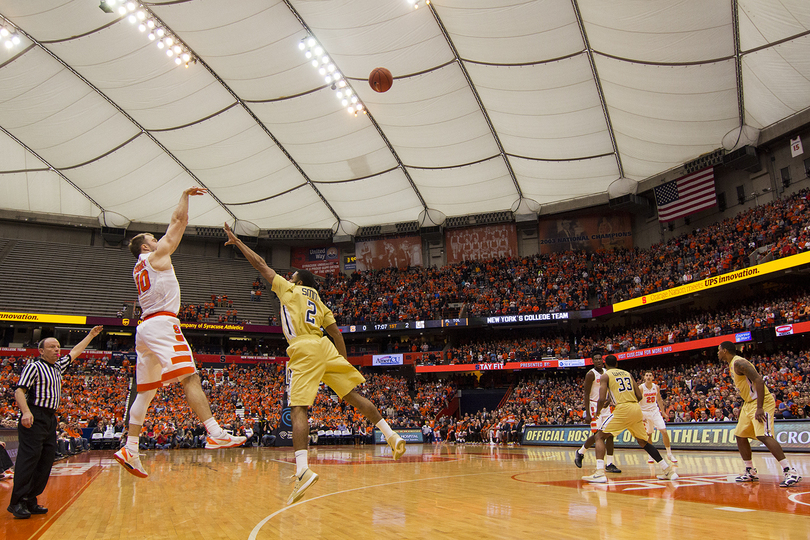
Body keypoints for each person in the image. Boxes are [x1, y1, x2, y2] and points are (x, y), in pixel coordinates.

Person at [223, 223, 406, 505]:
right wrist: (341, 361)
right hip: (325, 347)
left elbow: (260, 264)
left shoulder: (289, 290)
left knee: (298, 407)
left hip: (304, 349)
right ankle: (391, 435)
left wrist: (237, 242)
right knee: (353, 396)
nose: (288, 276)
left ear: (298, 280)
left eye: (292, 274)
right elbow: (336, 333)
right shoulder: (321, 302)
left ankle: (302, 470)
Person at [115, 188, 245, 479]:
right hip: (162, 324)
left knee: (145, 393)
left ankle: (130, 447)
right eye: (151, 238)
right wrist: (185, 195)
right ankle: (214, 432)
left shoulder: (137, 269)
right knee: (190, 376)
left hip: (144, 329)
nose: (156, 238)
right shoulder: (154, 258)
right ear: (146, 247)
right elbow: (178, 222)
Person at [8, 326, 103, 519]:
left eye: (58, 347)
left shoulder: (58, 366)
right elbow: (19, 391)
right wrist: (25, 412)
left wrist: (91, 335)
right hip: (34, 415)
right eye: (52, 347)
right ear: (41, 351)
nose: (57, 350)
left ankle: (31, 500)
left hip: (51, 418)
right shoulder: (34, 366)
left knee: (45, 461)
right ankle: (17, 502)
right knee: (29, 460)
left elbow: (75, 352)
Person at [582, 355, 678, 483]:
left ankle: (599, 472)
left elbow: (601, 398)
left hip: (622, 409)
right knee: (644, 442)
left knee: (599, 436)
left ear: (605, 364)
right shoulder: (627, 373)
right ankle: (668, 470)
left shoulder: (606, 376)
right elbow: (639, 395)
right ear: (616, 364)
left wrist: (598, 412)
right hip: (636, 408)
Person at [717, 342, 801, 487]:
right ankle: (750, 471)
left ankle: (790, 471)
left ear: (725, 351)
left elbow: (759, 381)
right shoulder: (732, 364)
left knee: (764, 435)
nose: (717, 353)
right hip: (748, 403)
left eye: (719, 350)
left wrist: (760, 408)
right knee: (740, 435)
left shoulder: (739, 363)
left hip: (760, 402)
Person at [574, 352, 620, 473]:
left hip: (606, 406)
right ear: (592, 361)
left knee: (610, 434)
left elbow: (611, 389)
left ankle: (610, 463)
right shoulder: (590, 374)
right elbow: (586, 394)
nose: (599, 361)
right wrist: (588, 413)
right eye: (596, 359)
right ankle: (581, 452)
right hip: (594, 406)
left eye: (600, 359)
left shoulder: (607, 372)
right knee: (597, 435)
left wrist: (609, 399)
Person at [640, 372, 677, 464]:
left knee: (664, 431)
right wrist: (641, 415)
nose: (648, 377)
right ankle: (650, 455)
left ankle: (669, 454)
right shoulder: (641, 388)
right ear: (644, 377)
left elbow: (659, 399)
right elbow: (637, 402)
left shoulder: (656, 387)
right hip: (645, 412)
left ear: (652, 377)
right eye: (646, 375)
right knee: (649, 434)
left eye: (650, 375)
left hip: (655, 411)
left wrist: (663, 412)